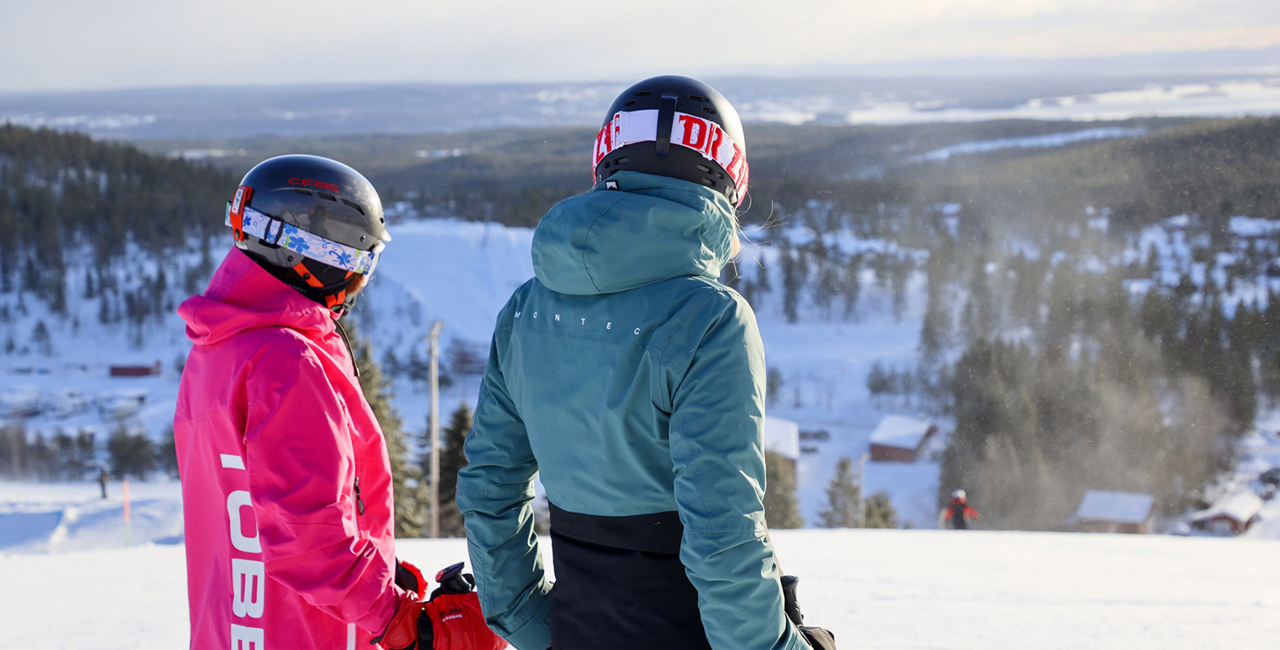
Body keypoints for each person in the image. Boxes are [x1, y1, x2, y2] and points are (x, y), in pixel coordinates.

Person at [457, 76, 836, 650]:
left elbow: (490, 490)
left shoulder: (526, 307)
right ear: (729, 177)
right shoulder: (711, 318)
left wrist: (532, 623)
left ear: (606, 159)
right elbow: (721, 532)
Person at [174, 155, 502, 650]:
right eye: (360, 258)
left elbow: (270, 511)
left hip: (238, 629)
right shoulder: (287, 363)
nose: (362, 279)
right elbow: (309, 537)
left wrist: (384, 575)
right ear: (311, 255)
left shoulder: (221, 348)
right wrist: (408, 624)